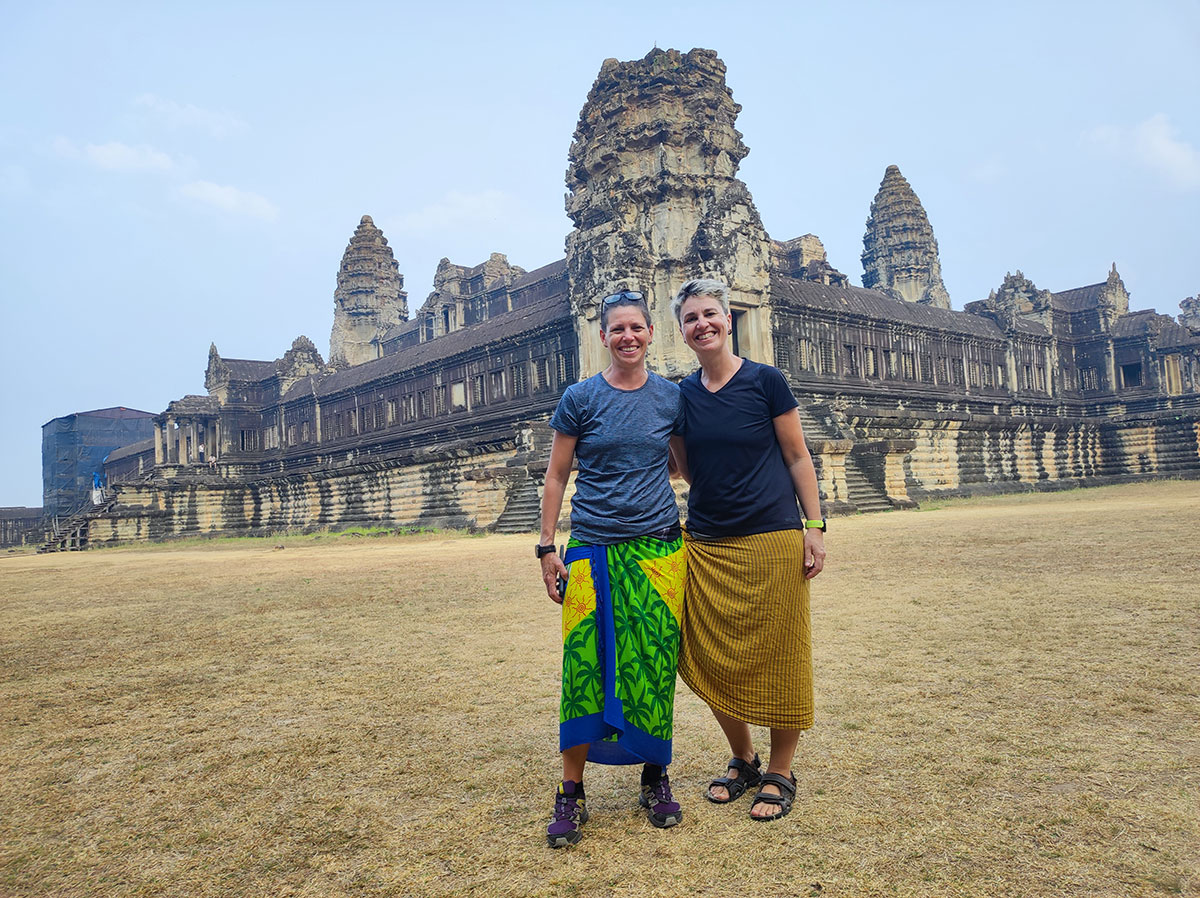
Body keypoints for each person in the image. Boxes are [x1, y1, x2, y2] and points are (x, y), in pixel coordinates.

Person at [670, 277, 827, 822]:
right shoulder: (681, 395)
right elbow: (686, 468)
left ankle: (781, 770)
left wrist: (815, 525)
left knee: (782, 650)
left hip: (773, 535)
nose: (703, 324)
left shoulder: (766, 382)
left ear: (728, 319)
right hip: (708, 541)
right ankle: (744, 756)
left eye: (710, 313)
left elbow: (797, 456)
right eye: (691, 318)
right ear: (683, 331)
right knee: (707, 652)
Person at [537, 289, 688, 848]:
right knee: (584, 666)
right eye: (616, 329)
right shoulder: (580, 398)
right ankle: (571, 791)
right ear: (603, 336)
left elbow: (685, 463)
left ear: (651, 334)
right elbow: (556, 475)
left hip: (657, 551)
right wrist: (547, 546)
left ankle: (655, 777)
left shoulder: (671, 398)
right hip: (591, 548)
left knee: (651, 663)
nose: (627, 337)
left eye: (636, 328)